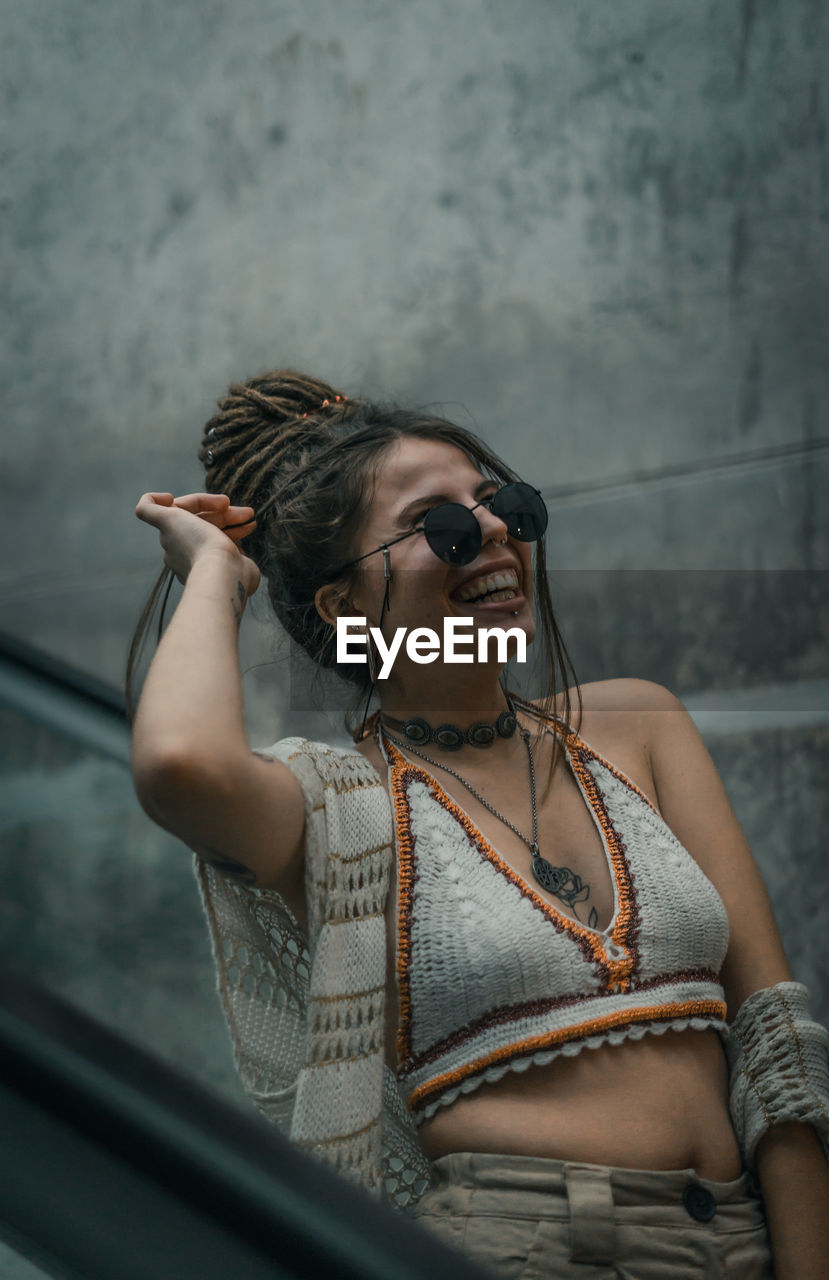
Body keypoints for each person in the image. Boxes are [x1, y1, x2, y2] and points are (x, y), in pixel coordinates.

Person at [129, 370, 829, 1279]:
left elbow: (773, 1035)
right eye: (441, 525)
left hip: (749, 1238)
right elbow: (181, 765)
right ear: (343, 606)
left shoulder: (634, 724)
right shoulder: (334, 807)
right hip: (525, 1248)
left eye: (501, 506)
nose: (494, 530)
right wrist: (216, 575)